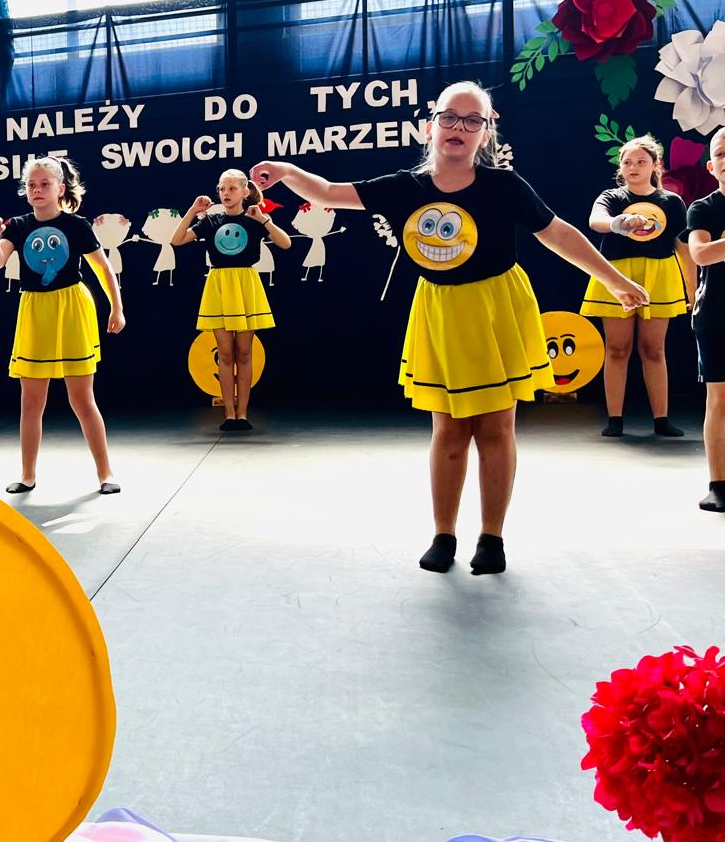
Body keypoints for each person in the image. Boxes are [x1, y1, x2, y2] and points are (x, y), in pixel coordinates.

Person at [251, 81, 647, 575]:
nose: (459, 127)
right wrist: (287, 171)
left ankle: (492, 537)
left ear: (485, 133)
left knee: (497, 427)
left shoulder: (504, 185)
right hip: (440, 311)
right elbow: (329, 193)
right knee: (449, 430)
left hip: (496, 307)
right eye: (449, 117)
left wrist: (613, 280)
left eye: (472, 120)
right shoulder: (404, 188)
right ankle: (444, 534)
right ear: (430, 126)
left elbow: (558, 234)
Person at [0, 155, 124, 495]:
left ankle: (105, 473)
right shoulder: (18, 226)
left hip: (71, 308)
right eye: (31, 185)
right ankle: (27, 474)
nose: (37, 190)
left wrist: (117, 308)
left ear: (60, 189)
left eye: (44, 184)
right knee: (31, 402)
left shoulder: (76, 225)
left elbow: (104, 269)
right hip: (35, 310)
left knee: (83, 400)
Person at [580, 135, 694, 437]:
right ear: (621, 167)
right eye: (627, 162)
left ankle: (661, 419)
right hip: (617, 275)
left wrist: (692, 289)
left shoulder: (671, 202)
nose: (633, 167)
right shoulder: (612, 197)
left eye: (641, 161)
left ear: (655, 165)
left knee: (653, 349)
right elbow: (596, 220)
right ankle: (615, 419)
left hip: (659, 276)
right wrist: (618, 223)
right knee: (617, 349)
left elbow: (683, 248)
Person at [172, 169, 292, 431]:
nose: (225, 193)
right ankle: (229, 414)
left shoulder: (254, 219)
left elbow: (285, 244)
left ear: (244, 191)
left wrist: (264, 220)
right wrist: (192, 211)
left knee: (244, 352)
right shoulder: (211, 221)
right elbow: (176, 240)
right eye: (222, 189)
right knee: (225, 353)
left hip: (245, 284)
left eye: (231, 189)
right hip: (219, 285)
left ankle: (243, 414)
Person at [687, 127, 725, 512]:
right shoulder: (703, 209)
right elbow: (700, 253)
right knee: (719, 399)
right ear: (711, 167)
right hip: (716, 315)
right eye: (721, 154)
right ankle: (719, 483)